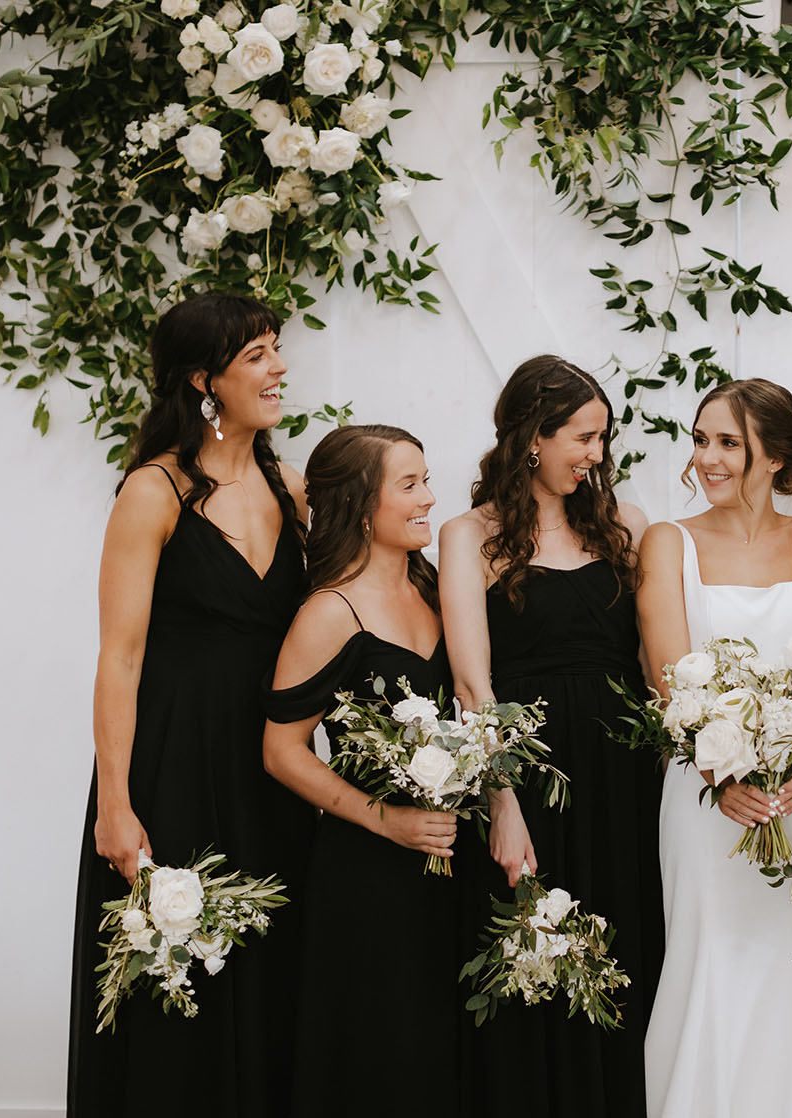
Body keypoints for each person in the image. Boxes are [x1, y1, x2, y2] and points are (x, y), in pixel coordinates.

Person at [68, 293, 315, 1117]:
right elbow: (120, 657)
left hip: (272, 764)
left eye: (277, 349)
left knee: (272, 969)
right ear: (205, 382)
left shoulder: (291, 484)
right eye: (258, 356)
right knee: (180, 979)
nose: (279, 368)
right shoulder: (153, 491)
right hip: (173, 765)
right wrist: (115, 805)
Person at [439, 356, 658, 1116]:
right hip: (533, 774)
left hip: (625, 772)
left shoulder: (621, 524)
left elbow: (652, 659)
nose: (596, 455)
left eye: (602, 438)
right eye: (583, 437)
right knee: (533, 957)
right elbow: (473, 685)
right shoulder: (469, 535)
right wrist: (501, 804)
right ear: (533, 436)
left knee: (626, 953)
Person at [638, 378, 792, 1118]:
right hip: (704, 797)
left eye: (728, 441)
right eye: (701, 440)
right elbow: (670, 678)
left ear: (776, 456)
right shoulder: (668, 542)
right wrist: (719, 773)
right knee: (707, 972)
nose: (708, 457)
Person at [261, 424, 462, 1115]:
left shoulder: (435, 588)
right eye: (409, 485)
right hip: (366, 873)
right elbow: (281, 751)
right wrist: (390, 822)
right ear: (357, 503)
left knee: (445, 1052)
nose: (429, 498)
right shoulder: (329, 612)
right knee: (380, 1054)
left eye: (426, 480)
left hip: (450, 860)